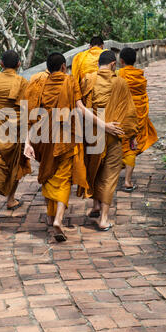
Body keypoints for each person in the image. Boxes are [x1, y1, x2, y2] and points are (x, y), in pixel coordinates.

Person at [24, 52, 124, 242]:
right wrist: (104, 125)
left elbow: (30, 114)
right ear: (63, 67)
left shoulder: (39, 83)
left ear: (48, 68)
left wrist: (27, 142)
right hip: (66, 137)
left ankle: (50, 215)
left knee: (48, 175)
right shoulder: (70, 82)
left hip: (43, 137)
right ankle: (59, 219)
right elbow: (80, 108)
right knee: (63, 178)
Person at [80, 50, 139, 231]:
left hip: (92, 134)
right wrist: (132, 137)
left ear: (99, 64)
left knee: (94, 169)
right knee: (109, 175)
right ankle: (104, 218)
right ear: (113, 64)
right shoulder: (120, 82)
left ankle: (95, 205)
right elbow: (129, 112)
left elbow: (79, 106)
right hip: (114, 134)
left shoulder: (87, 80)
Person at [0, 50, 31, 229]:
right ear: (18, 65)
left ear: (1, 64)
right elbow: (26, 109)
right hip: (15, 130)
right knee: (16, 163)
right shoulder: (23, 82)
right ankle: (11, 199)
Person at [118, 47, 158, 191]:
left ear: (120, 60)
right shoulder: (140, 77)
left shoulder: (119, 75)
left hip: (123, 115)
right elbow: (143, 97)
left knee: (120, 145)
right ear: (135, 60)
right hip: (137, 115)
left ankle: (111, 176)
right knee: (131, 147)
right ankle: (127, 181)